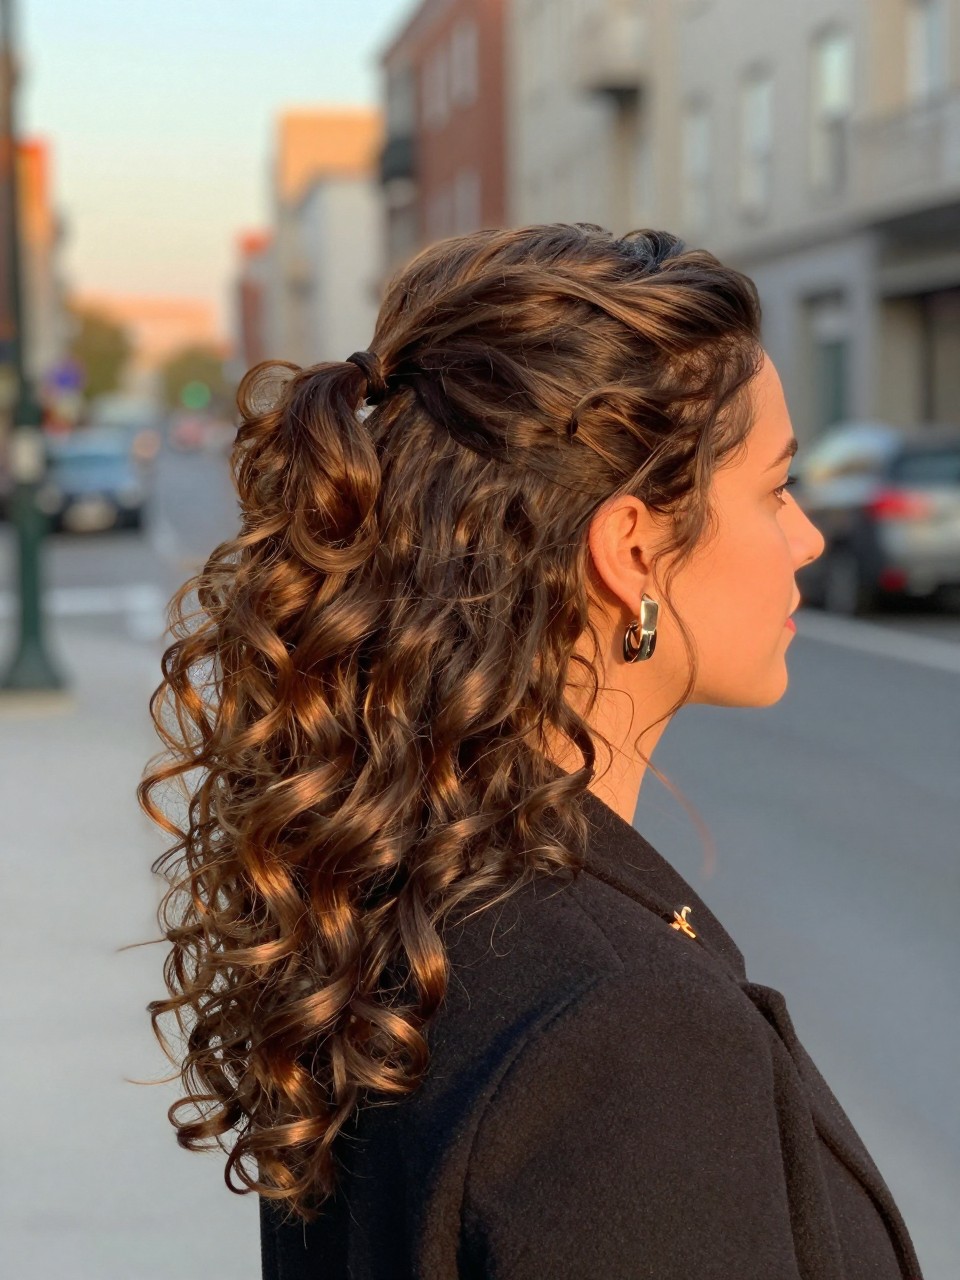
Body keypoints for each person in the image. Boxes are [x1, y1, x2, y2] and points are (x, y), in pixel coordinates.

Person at [138, 224, 924, 1279]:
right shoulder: (627, 1037)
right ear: (632, 547)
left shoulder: (398, 878)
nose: (808, 537)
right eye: (775, 490)